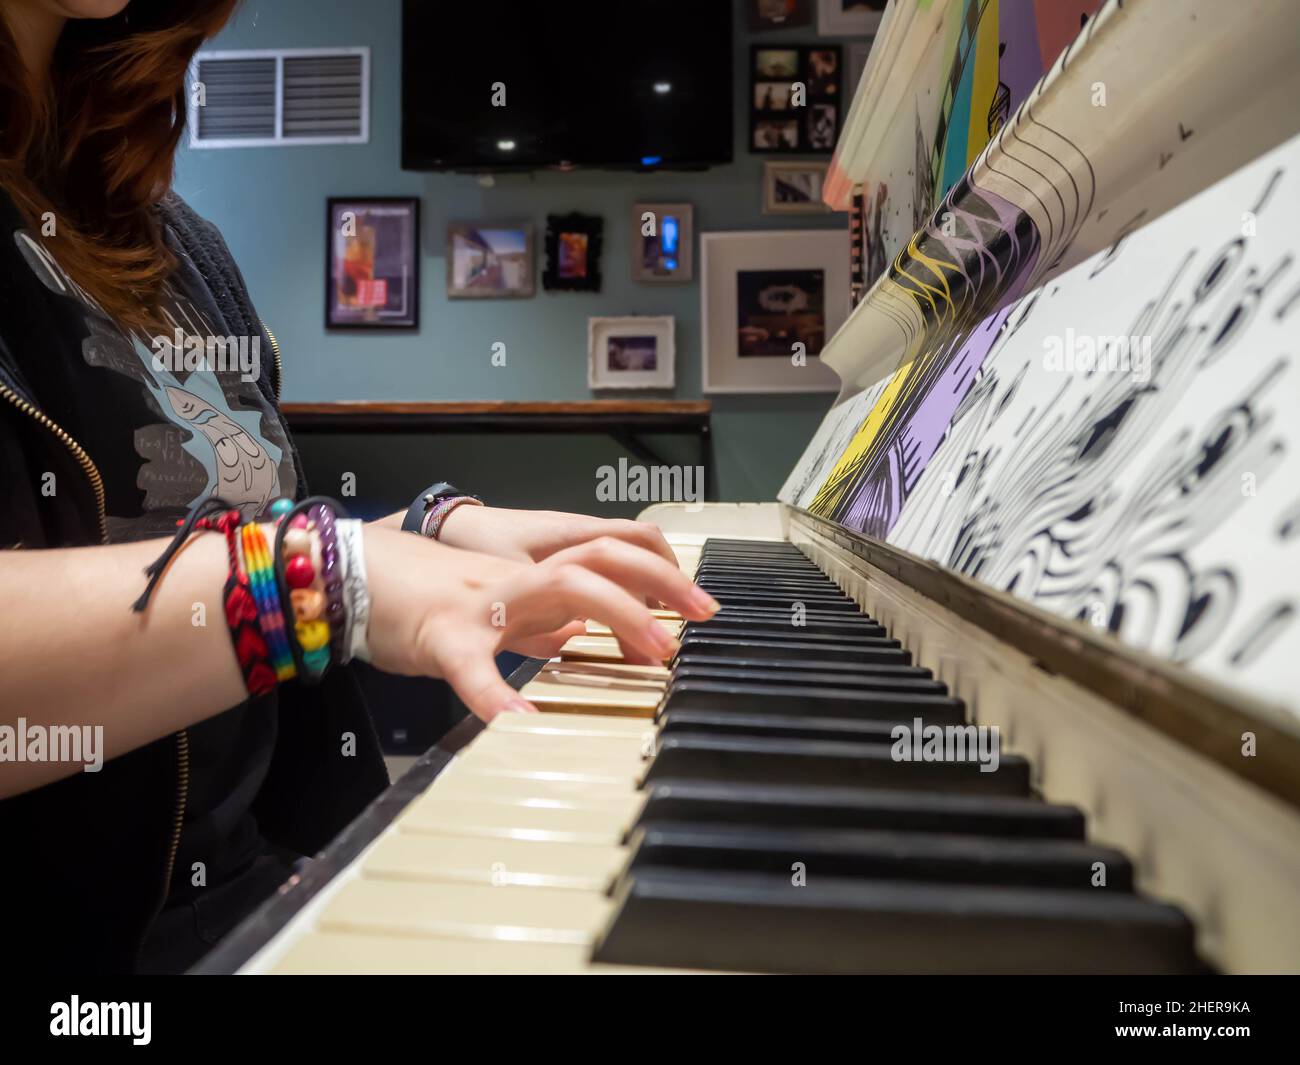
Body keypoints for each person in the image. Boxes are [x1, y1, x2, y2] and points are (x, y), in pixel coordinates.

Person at [0, 0, 718, 974]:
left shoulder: (166, 238)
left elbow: (211, 536)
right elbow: (272, 579)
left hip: (269, 894)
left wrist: (422, 539)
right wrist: (324, 580)